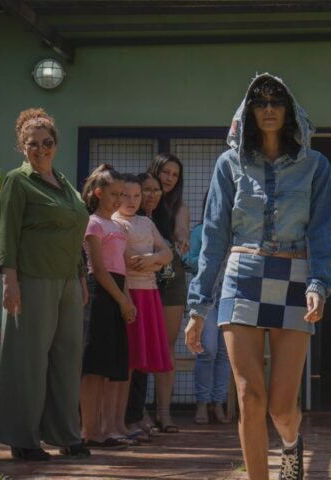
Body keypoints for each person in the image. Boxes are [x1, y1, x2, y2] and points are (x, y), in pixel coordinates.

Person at [185, 74, 331, 480]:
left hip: (295, 277)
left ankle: (290, 442)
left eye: (276, 101)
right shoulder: (228, 164)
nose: (268, 108)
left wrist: (319, 284)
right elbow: (214, 236)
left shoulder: (316, 166)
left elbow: (323, 231)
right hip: (242, 277)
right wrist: (198, 308)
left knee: (281, 408)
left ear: (289, 111)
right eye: (259, 101)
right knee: (250, 398)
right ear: (248, 112)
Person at [0, 108, 90, 460]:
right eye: (32, 143)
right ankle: (23, 439)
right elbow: (5, 232)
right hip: (32, 280)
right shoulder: (18, 181)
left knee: (67, 359)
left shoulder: (64, 183)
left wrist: (81, 277)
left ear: (55, 144)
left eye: (46, 142)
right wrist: (10, 280)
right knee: (28, 361)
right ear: (22, 146)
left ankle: (67, 435)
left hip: (68, 282)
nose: (40, 149)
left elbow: (75, 235)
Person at [79, 164, 137, 449]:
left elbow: (122, 268)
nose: (119, 199)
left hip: (116, 293)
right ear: (99, 193)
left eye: (122, 194)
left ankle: (102, 429)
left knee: (106, 368)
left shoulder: (117, 225)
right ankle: (88, 431)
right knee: (93, 366)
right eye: (114, 194)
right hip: (101, 295)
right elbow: (99, 270)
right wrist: (121, 299)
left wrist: (127, 299)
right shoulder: (93, 224)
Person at [113, 174, 173, 441]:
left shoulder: (147, 222)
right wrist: (153, 262)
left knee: (141, 362)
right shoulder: (114, 222)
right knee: (126, 360)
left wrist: (153, 259)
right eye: (125, 195)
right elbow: (129, 260)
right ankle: (122, 420)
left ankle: (135, 415)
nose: (131, 200)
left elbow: (167, 253)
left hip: (149, 294)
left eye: (136, 196)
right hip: (128, 293)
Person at [148, 154, 190, 433]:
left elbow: (181, 228)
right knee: (139, 343)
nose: (169, 179)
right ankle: (136, 413)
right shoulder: (139, 198)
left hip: (171, 277)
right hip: (141, 276)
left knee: (166, 345)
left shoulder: (179, 206)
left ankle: (164, 413)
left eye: (175, 175)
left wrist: (183, 237)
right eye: (166, 172)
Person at [183, 192, 231, 424]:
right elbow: (188, 261)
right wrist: (209, 259)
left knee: (225, 353)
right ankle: (202, 403)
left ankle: (218, 403)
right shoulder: (200, 231)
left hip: (230, 294)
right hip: (207, 295)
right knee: (207, 349)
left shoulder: (238, 233)